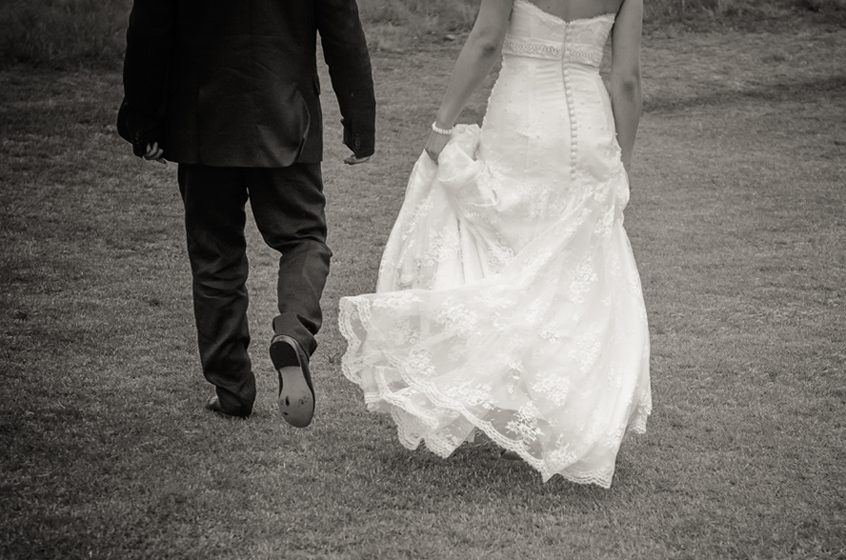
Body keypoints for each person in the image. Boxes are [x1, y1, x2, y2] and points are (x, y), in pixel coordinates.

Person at [339, 0, 650, 487]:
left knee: (509, 250)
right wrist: (621, 162)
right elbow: (626, 79)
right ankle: (560, 411)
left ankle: (505, 389)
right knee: (571, 270)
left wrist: (443, 124)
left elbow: (486, 41)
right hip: (590, 130)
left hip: (524, 123)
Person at [117, 0, 376, 427]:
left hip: (201, 119)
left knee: (215, 256)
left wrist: (143, 120)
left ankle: (232, 390)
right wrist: (359, 122)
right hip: (286, 115)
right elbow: (343, 30)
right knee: (303, 239)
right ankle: (293, 331)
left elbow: (149, 29)